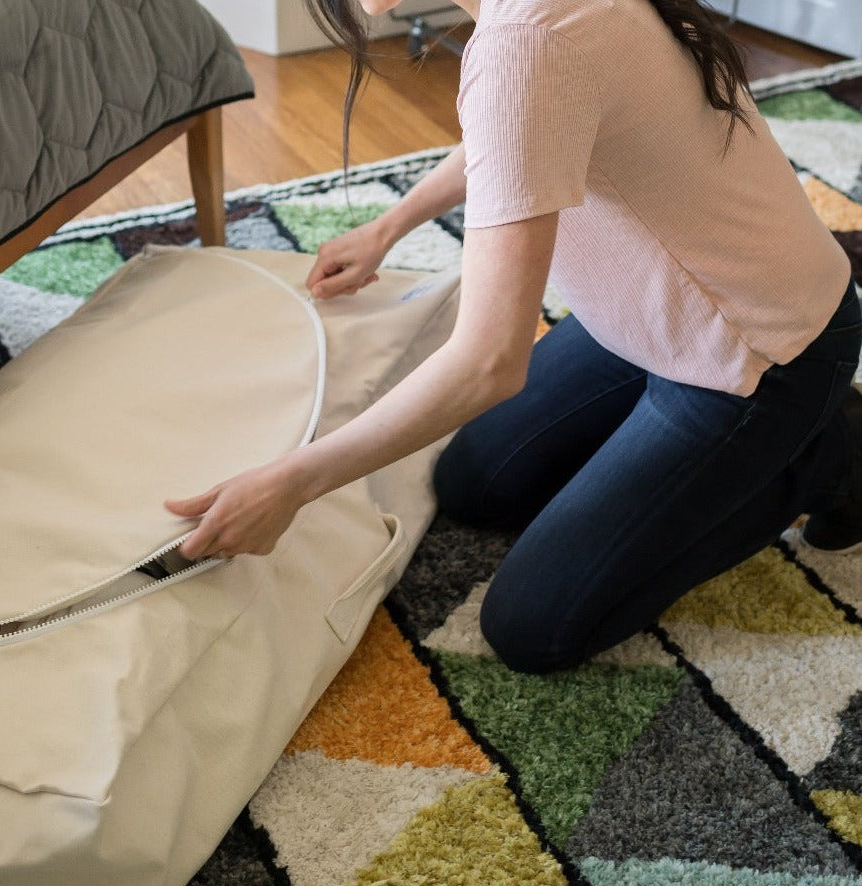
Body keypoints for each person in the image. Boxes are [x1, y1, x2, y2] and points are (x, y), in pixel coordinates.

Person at [165, 0, 861, 674]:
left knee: (534, 626)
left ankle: (830, 454)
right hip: (649, 322)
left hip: (759, 350)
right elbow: (515, 133)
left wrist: (291, 481)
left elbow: (487, 365)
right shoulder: (525, 28)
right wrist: (389, 226)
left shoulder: (527, 39)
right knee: (473, 483)